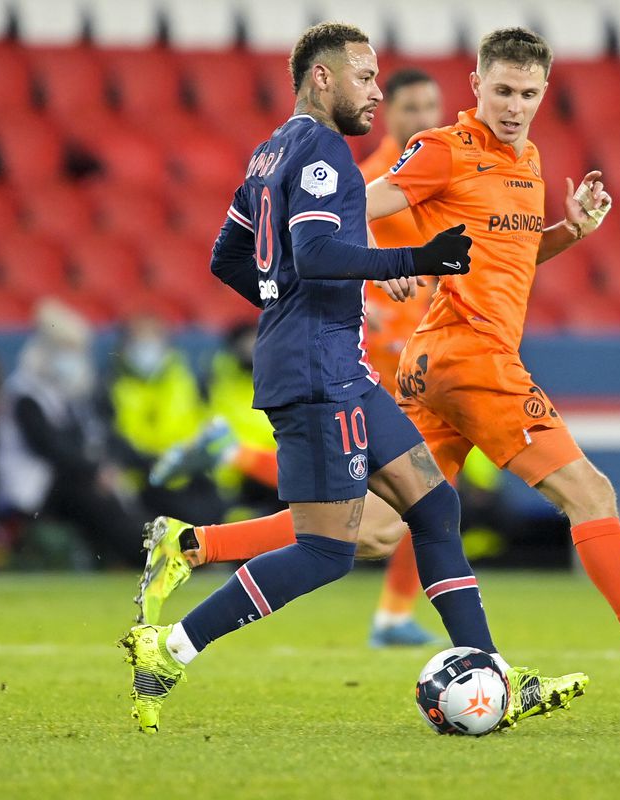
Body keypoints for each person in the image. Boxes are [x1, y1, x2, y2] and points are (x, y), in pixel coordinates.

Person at [139, 27, 620, 713]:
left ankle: (193, 546)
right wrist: (386, 272)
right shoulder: (444, 149)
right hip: (472, 359)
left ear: (544, 94)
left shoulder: (528, 163)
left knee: (379, 525)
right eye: (502, 90)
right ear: (476, 86)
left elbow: (506, 260)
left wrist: (570, 232)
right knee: (590, 495)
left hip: (430, 362)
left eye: (528, 93)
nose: (514, 105)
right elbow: (362, 206)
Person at [119, 22, 586, 735]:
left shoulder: (268, 150)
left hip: (339, 365)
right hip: (318, 372)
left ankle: (494, 669)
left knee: (432, 507)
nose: (378, 91)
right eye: (366, 77)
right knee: (327, 551)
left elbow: (227, 257)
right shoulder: (321, 151)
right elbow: (313, 253)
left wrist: (283, 302)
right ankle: (173, 647)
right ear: (323, 79)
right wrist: (412, 259)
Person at [141, 69, 448, 648]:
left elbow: (251, 252)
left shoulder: (429, 167)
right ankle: (193, 580)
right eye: (410, 106)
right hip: (355, 355)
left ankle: (417, 627)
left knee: (395, 521)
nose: (422, 116)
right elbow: (319, 247)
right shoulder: (362, 171)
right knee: (349, 532)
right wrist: (354, 291)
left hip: (400, 356)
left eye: (432, 104)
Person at [0, 300, 143, 567]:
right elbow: (51, 448)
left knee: (119, 491)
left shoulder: (69, 393)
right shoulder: (25, 394)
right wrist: (96, 470)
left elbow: (96, 436)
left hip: (64, 478)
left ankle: (152, 547)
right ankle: (143, 555)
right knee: (94, 496)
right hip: (32, 487)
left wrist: (105, 466)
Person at [102, 313, 226, 527]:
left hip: (189, 470)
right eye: (139, 341)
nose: (146, 348)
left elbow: (206, 425)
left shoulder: (186, 381)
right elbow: (113, 438)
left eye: (153, 339)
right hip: (143, 475)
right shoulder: (111, 387)